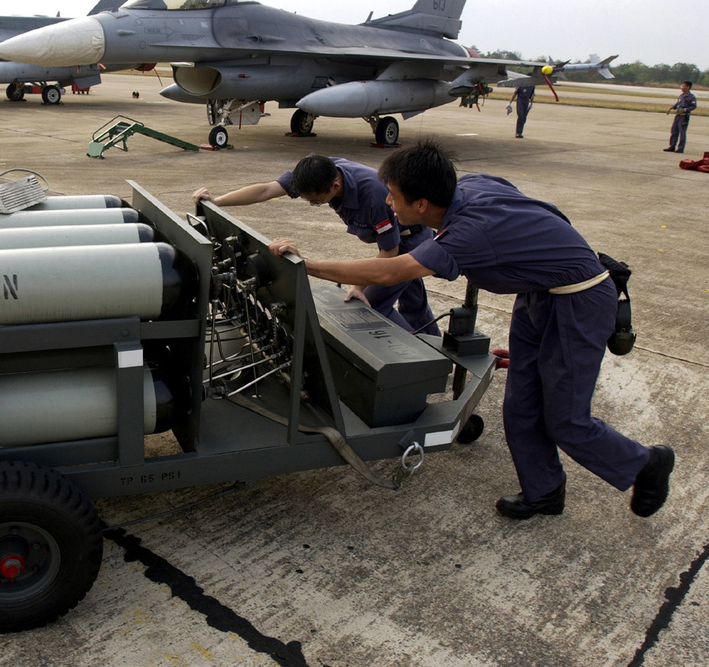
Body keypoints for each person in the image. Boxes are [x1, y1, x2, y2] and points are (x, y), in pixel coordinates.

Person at [268, 140, 674, 520]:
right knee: (521, 404)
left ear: (423, 204)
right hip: (538, 294)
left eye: (392, 196)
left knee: (566, 417)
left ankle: (646, 462)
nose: (388, 202)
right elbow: (548, 212)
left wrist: (309, 265)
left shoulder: (469, 232)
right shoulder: (473, 186)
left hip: (579, 302)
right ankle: (544, 490)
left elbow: (393, 271)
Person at [193, 155, 439, 336]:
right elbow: (266, 190)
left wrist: (357, 287)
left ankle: (419, 360)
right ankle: (436, 346)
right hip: (400, 238)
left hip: (411, 241)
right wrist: (217, 202)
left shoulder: (373, 196)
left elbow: (390, 252)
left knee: (372, 306)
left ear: (334, 187)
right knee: (412, 299)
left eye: (315, 201)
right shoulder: (316, 171)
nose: (312, 203)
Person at [665, 80, 697, 154]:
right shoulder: (681, 96)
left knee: (682, 132)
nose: (682, 87)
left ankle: (680, 148)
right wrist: (672, 107)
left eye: (683, 86)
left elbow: (693, 106)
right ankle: (672, 146)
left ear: (688, 87)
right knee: (674, 131)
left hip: (684, 116)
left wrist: (686, 110)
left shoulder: (691, 97)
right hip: (678, 116)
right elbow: (677, 104)